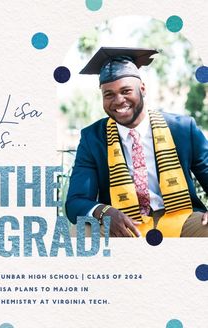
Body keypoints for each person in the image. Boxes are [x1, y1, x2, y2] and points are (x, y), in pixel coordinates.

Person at [65, 47, 208, 237]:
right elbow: (76, 201)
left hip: (181, 218)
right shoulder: (93, 138)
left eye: (126, 91)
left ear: (142, 89)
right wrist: (105, 212)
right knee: (79, 233)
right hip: (124, 223)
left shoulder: (182, 128)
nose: (118, 100)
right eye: (109, 94)